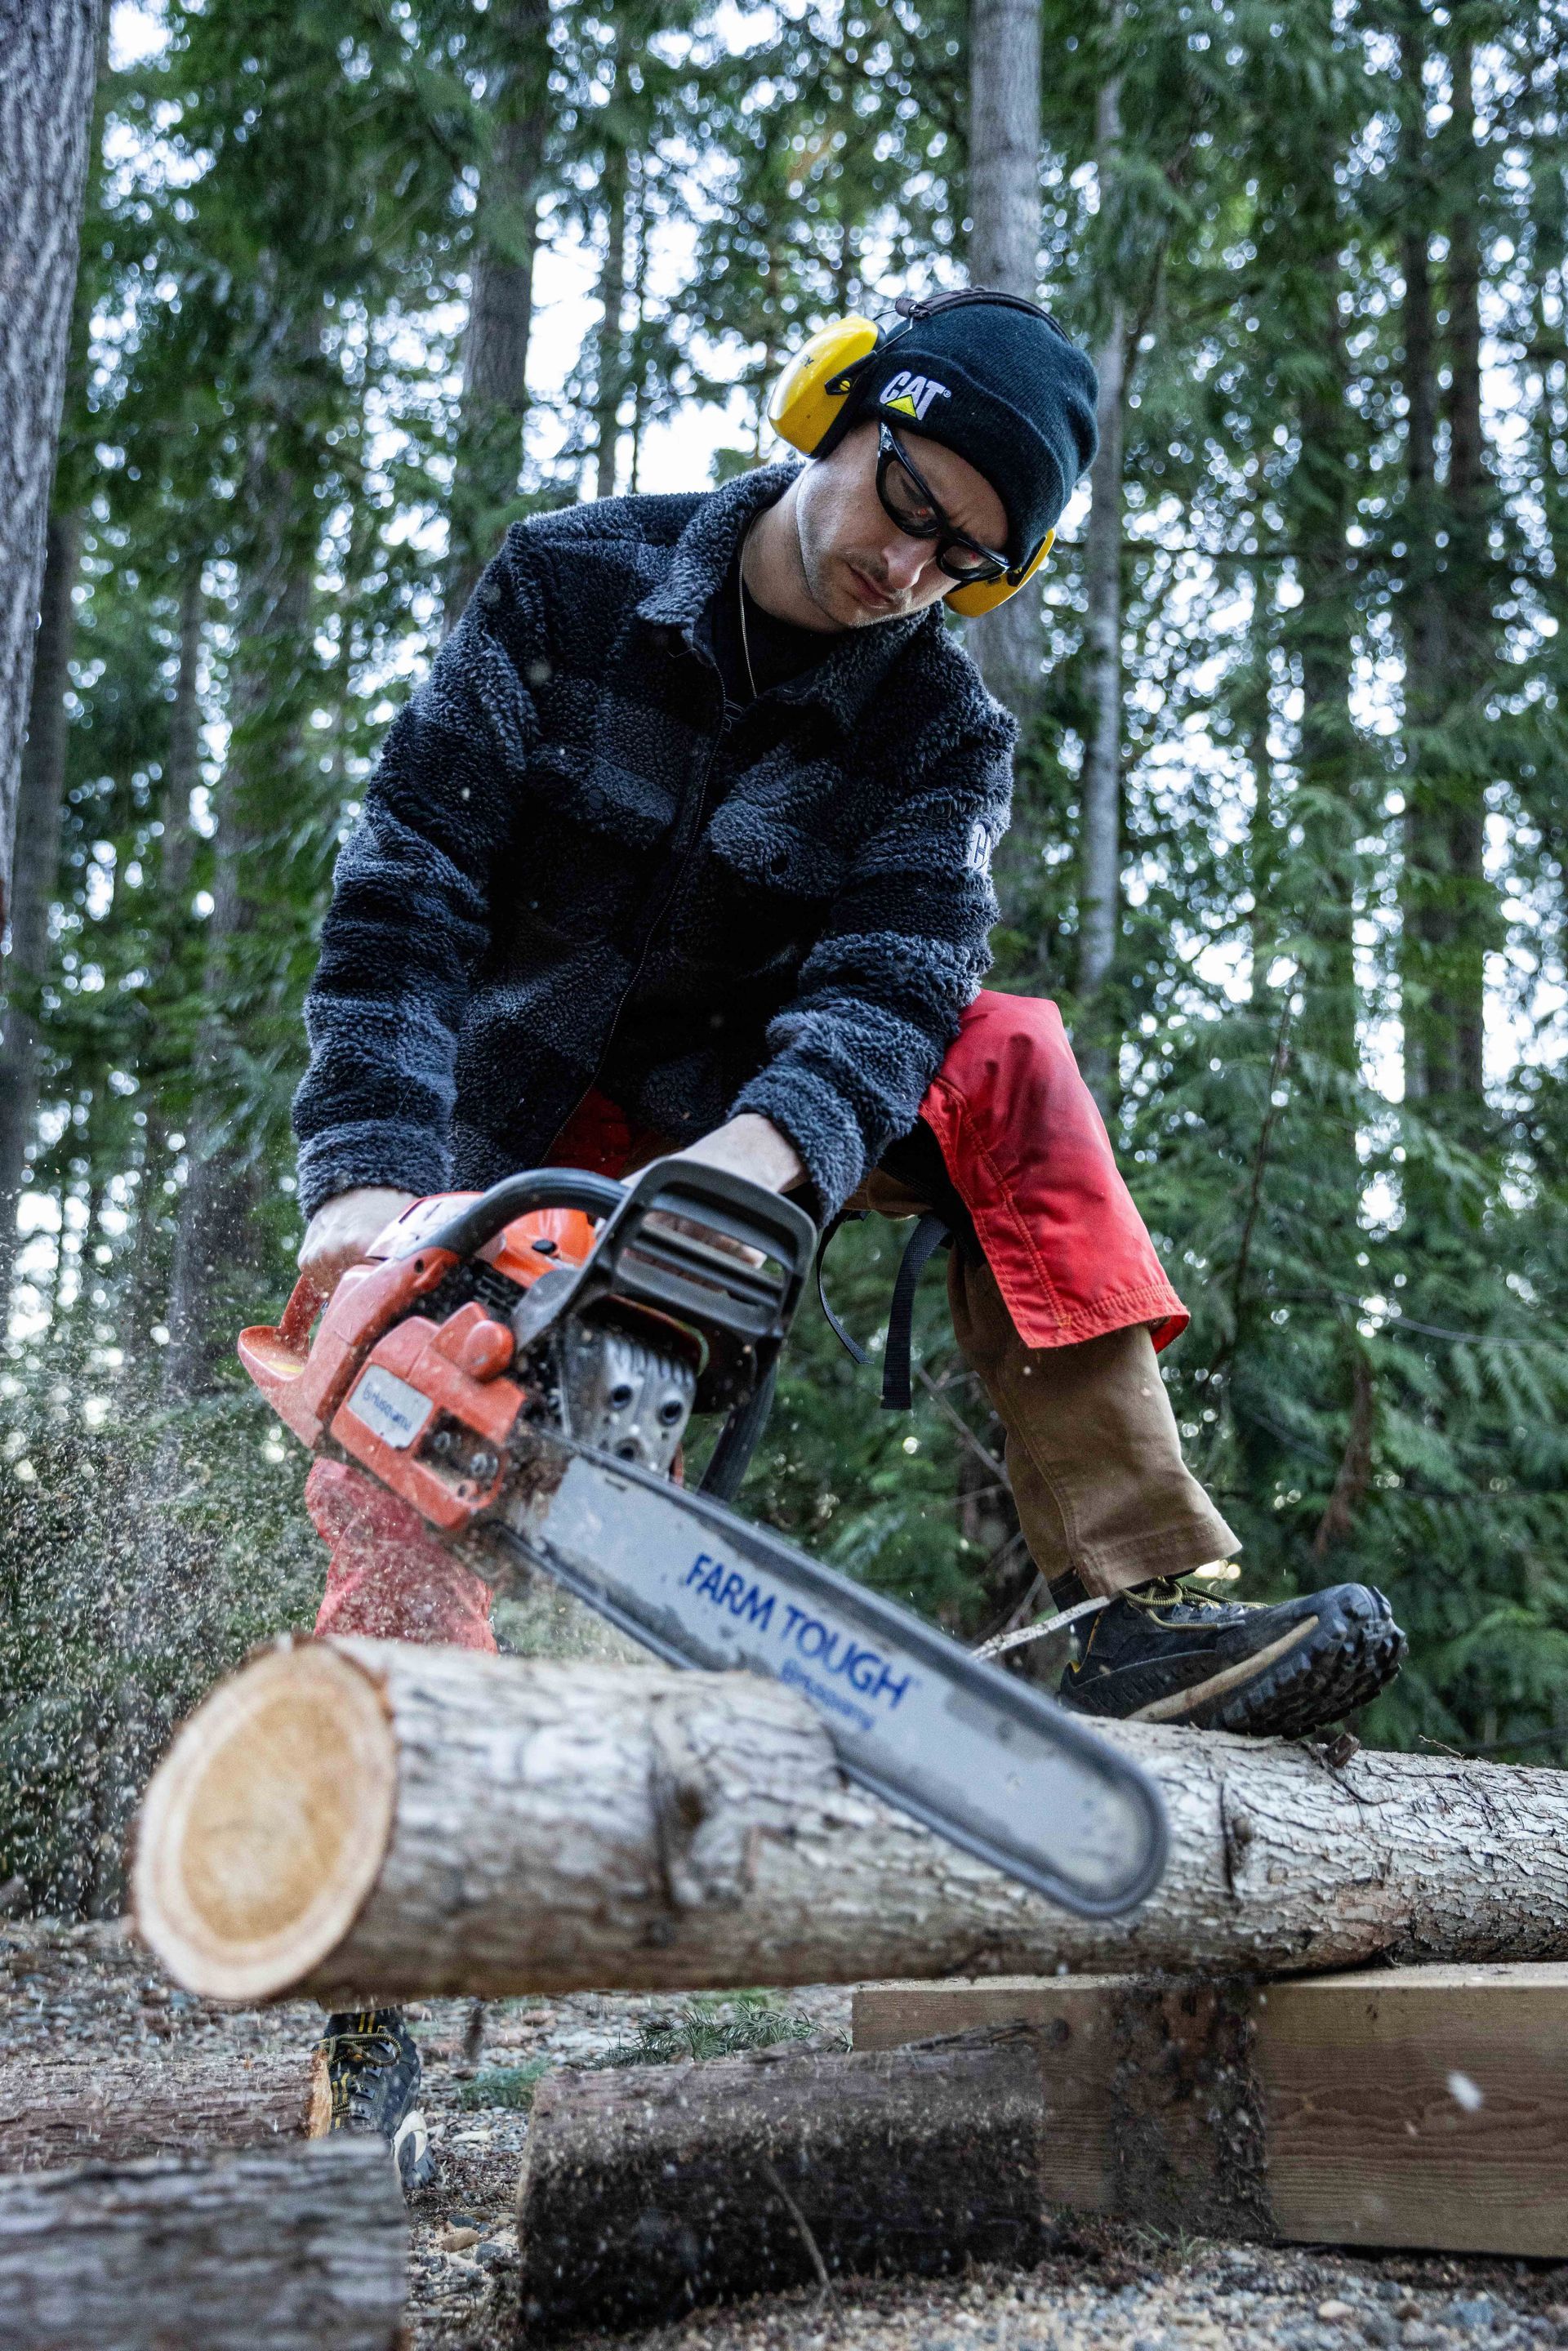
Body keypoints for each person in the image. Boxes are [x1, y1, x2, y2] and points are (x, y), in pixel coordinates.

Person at [288, 288, 1405, 2186]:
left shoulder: (936, 728)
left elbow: (897, 983)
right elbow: (408, 892)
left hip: (766, 1107)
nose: (909, 565)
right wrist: (370, 1187)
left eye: (967, 557)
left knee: (1013, 1060)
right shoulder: (568, 587)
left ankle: (1130, 1602)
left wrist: (767, 1154)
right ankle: (372, 1991)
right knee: (412, 1435)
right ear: (839, 417)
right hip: (510, 1113)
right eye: (905, 502)